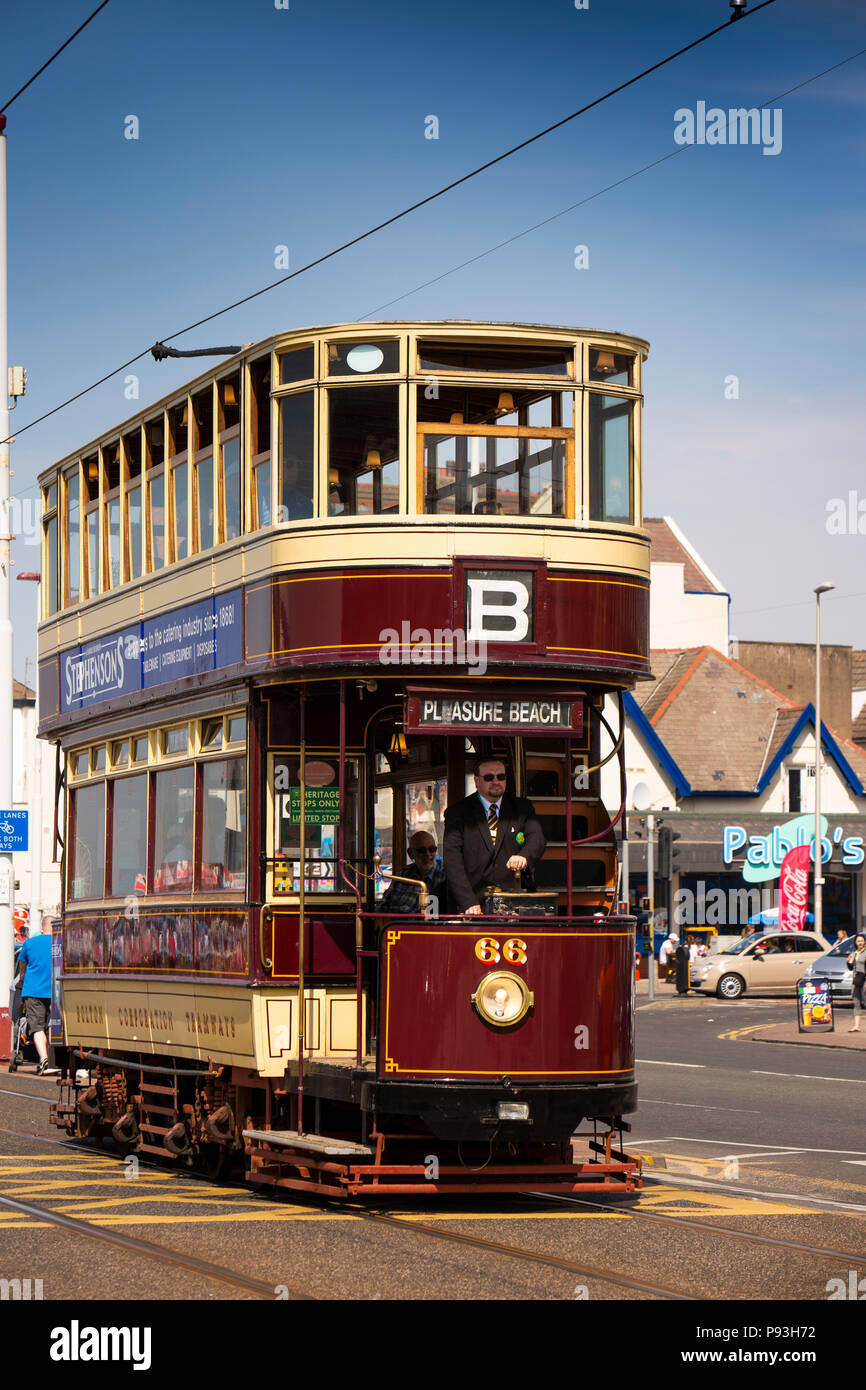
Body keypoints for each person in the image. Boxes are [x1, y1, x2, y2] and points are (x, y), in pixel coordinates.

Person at [443, 757, 545, 916]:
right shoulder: (458, 812)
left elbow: (537, 837)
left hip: (515, 903)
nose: (496, 781)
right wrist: (468, 902)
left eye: (501, 777)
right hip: (474, 906)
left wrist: (524, 856)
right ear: (476, 781)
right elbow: (452, 861)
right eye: (489, 777)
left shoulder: (522, 808)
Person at [15, 921, 59, 1075]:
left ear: (42, 926)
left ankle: (44, 1061)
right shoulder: (60, 942)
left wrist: (22, 980)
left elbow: (22, 968)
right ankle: (54, 1060)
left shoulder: (30, 943)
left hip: (34, 991)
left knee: (37, 1026)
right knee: (53, 1025)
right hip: (56, 991)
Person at [379, 831, 446, 914]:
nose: (428, 854)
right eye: (422, 850)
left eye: (432, 849)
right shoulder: (403, 874)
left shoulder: (444, 874)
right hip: (397, 925)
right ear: (411, 853)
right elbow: (383, 907)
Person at [282, 455, 314, 520]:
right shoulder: (262, 496)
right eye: (289, 464)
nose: (295, 470)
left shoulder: (304, 502)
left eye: (298, 466)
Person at [846, 934, 866, 1034]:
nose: (860, 943)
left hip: (864, 980)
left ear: (865, 942)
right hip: (856, 980)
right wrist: (848, 962)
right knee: (856, 1003)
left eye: (861, 941)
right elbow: (851, 968)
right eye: (858, 941)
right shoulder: (854, 953)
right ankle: (856, 1026)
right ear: (855, 943)